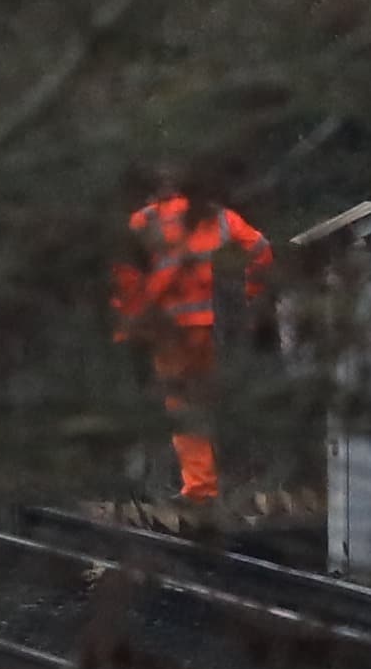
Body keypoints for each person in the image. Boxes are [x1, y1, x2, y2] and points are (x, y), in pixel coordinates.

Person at [111, 158, 274, 504]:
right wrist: (250, 294)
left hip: (172, 334)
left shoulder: (145, 222)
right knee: (218, 401)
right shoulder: (218, 217)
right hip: (215, 328)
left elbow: (125, 277)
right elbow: (261, 250)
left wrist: (130, 322)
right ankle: (245, 480)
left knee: (185, 406)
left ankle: (201, 487)